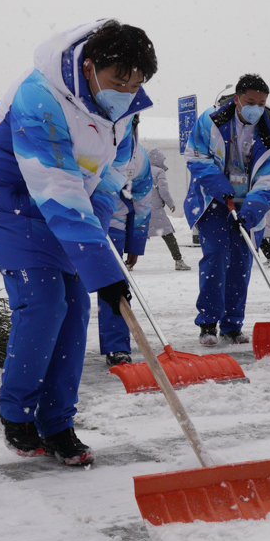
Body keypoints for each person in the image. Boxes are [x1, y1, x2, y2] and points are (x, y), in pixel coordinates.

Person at [0, 18, 155, 466]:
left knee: (77, 308)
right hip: (10, 202)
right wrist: (101, 269)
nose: (126, 92)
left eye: (136, 84)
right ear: (90, 66)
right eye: (118, 80)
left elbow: (111, 180)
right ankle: (15, 413)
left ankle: (57, 423)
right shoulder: (40, 95)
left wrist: (101, 254)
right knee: (44, 301)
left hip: (67, 206)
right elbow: (56, 184)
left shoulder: (125, 113)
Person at [185, 73, 270, 346]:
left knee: (242, 264)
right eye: (250, 101)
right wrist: (217, 183)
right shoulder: (211, 120)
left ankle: (232, 325)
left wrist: (252, 209)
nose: (256, 107)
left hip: (248, 206)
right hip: (214, 201)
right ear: (238, 99)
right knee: (216, 257)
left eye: (262, 102)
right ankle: (208, 323)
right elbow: (195, 154)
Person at [98, 120, 152, 366]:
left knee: (115, 287)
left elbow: (142, 201)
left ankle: (117, 345)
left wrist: (135, 242)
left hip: (115, 226)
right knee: (66, 289)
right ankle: (59, 345)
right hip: (78, 222)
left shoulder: (138, 158)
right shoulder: (89, 142)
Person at [145, 147, 190, 271]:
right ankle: (178, 260)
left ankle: (127, 262)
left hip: (142, 208)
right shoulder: (159, 171)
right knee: (168, 235)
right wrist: (170, 203)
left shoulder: (142, 170)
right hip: (156, 209)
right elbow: (163, 190)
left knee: (137, 235)